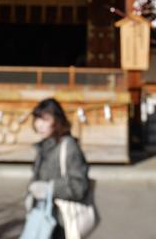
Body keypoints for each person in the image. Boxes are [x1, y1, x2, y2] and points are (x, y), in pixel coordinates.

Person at [25, 98, 90, 239]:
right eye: (37, 119)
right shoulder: (43, 147)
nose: (39, 125)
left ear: (58, 121)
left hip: (61, 223)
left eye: (45, 120)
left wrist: (50, 189)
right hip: (43, 218)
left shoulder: (68, 147)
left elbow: (79, 186)